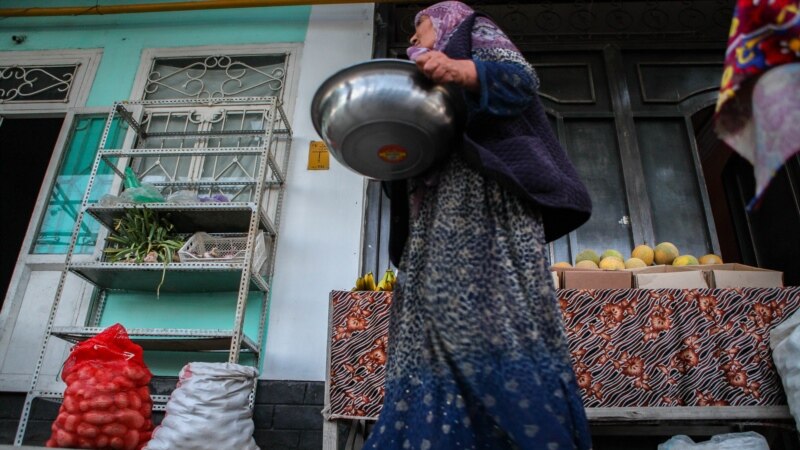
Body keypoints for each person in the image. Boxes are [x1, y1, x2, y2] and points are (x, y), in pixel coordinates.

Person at [366, 2, 593, 449]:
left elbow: (520, 81)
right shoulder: (418, 75)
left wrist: (457, 69)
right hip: (432, 216)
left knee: (492, 317)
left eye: (420, 27)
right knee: (426, 327)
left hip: (485, 204)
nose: (413, 39)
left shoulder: (473, 29)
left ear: (444, 18)